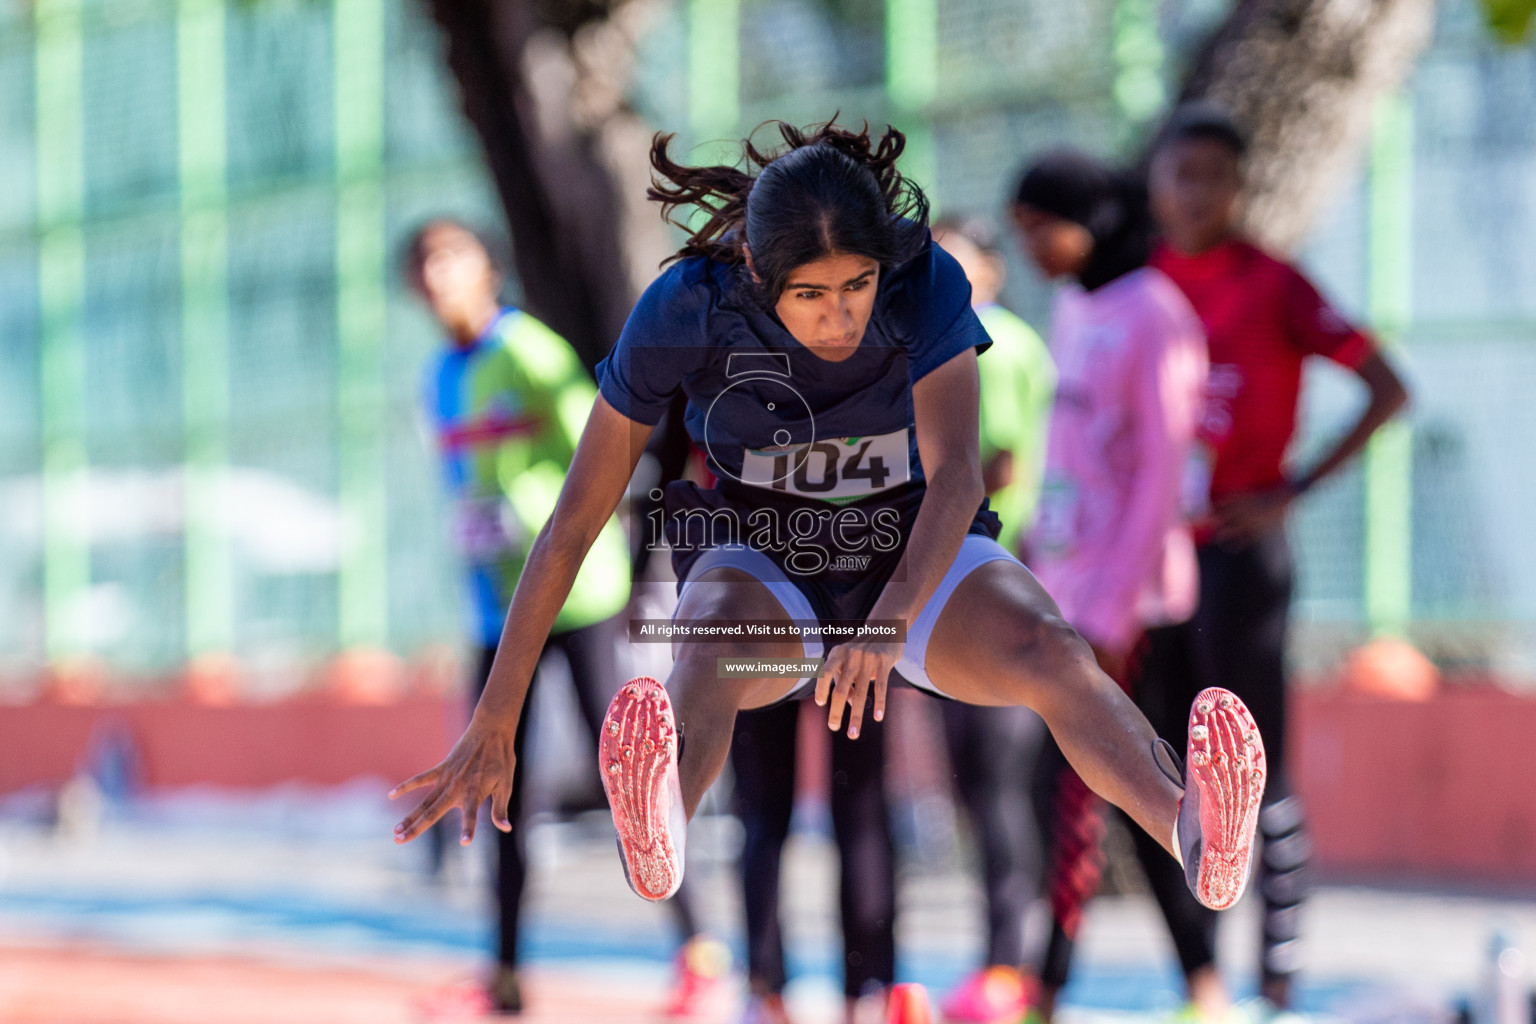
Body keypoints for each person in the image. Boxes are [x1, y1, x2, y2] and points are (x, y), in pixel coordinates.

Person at [388, 126, 1270, 1007]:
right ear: (754, 271)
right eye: (810, 295)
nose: (840, 316)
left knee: (1047, 646)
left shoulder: (925, 280)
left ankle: (1194, 828)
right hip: (764, 560)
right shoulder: (686, 306)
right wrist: (496, 716)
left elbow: (958, 471)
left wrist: (884, 628)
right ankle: (659, 824)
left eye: (857, 286)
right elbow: (574, 520)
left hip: (913, 553)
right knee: (709, 646)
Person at [1130, 103, 1410, 1020]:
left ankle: (1280, 978)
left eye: (1215, 173)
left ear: (1240, 185)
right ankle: (1200, 980)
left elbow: (1385, 387)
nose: (1197, 190)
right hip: (1149, 565)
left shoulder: (1275, 284)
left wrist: (1289, 489)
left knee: (1257, 768)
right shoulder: (1136, 286)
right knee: (1160, 769)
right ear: (1158, 185)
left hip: (1241, 559)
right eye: (1182, 172)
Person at [405, 219, 727, 1016]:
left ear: (489, 266)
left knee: (627, 773)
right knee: (494, 775)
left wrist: (599, 541)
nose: (437, 273)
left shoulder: (531, 353)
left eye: (453, 255)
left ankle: (700, 953)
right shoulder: (438, 377)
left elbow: (615, 446)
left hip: (576, 597)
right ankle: (507, 976)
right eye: (422, 263)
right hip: (495, 607)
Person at [1011, 150, 1210, 1020]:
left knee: (1089, 798)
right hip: (1064, 600)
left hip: (1125, 610)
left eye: (1037, 229)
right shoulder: (1074, 305)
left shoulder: (1157, 315)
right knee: (1114, 799)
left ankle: (1049, 990)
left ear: (1087, 221)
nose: (1031, 250)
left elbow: (1160, 479)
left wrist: (1110, 610)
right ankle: (1201, 980)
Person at [928, 215, 1057, 1024]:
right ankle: (1001, 966)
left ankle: (1013, 970)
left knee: (1003, 789)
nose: (937, 271)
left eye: (955, 259)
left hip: (994, 589)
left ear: (994, 272)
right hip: (950, 595)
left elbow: (994, 464)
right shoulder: (943, 344)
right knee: (975, 791)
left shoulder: (996, 344)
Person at [731, 703, 895, 1024]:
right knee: (861, 813)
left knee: (763, 811)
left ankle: (765, 997)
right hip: (849, 652)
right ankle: (867, 997)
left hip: (763, 657)